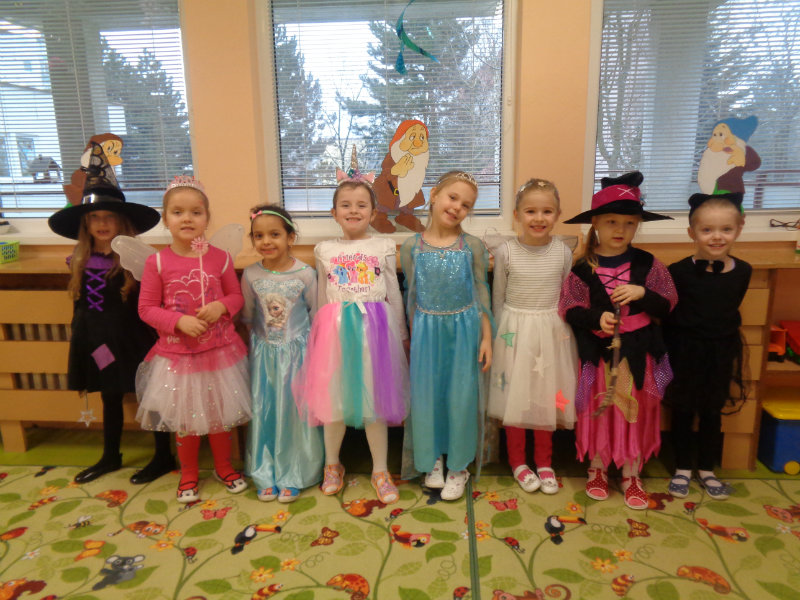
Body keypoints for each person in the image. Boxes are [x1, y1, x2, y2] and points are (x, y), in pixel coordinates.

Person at [48, 141, 174, 485]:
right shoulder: (79, 260)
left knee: (149, 393)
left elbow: (153, 302)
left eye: (109, 217)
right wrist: (84, 339)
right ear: (85, 224)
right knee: (109, 394)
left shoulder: (139, 259)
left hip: (134, 340)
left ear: (121, 220)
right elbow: (82, 306)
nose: (102, 223)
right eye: (94, 218)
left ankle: (163, 455)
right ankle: (110, 455)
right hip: (97, 341)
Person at [559, 171, 677, 510]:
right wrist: (596, 318)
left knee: (634, 410)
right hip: (598, 356)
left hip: (640, 354)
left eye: (629, 223)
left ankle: (631, 471)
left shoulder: (648, 264)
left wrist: (642, 294)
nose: (620, 229)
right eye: (611, 221)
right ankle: (597, 466)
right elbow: (568, 307)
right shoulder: (583, 268)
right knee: (599, 408)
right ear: (595, 223)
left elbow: (668, 302)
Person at [293, 169, 409, 505]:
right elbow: (321, 298)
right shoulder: (325, 249)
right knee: (334, 403)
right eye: (345, 205)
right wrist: (317, 336)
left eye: (361, 205)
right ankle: (333, 464)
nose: (353, 210)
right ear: (334, 213)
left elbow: (393, 293)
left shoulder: (383, 246)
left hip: (376, 335)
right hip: (335, 335)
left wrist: (401, 335)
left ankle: (380, 470)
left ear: (373, 213)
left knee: (376, 403)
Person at [135, 176, 252, 503]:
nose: (187, 219)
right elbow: (146, 309)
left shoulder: (220, 258)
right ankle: (188, 473)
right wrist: (178, 321)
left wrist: (221, 306)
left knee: (219, 417)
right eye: (178, 212)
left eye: (196, 212)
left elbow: (236, 297)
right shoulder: (157, 262)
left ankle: (224, 467)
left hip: (219, 353)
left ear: (206, 218)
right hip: (179, 358)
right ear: (165, 218)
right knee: (186, 420)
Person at [400, 171, 494, 501]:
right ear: (434, 194)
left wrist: (487, 338)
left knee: (460, 397)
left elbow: (482, 292)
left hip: (465, 331)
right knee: (428, 396)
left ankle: (459, 465)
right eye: (453, 198)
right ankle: (432, 460)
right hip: (427, 332)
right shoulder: (412, 246)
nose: (457, 208)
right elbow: (412, 296)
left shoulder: (472, 246)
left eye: (465, 205)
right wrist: (413, 339)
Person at [488, 178, 578, 495]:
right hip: (513, 334)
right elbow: (498, 298)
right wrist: (498, 339)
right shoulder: (506, 252)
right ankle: (518, 462)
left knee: (545, 397)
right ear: (517, 215)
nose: (539, 218)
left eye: (547, 211)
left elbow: (566, 296)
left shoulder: (563, 253)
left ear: (557, 215)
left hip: (550, 334)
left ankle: (544, 462)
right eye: (530, 211)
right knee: (516, 398)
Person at [664, 193, 750, 501]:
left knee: (713, 410)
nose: (717, 237)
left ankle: (707, 468)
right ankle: (682, 467)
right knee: (684, 409)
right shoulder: (677, 271)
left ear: (739, 229)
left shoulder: (743, 271)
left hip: (721, 350)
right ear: (692, 233)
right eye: (707, 230)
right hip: (685, 349)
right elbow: (670, 312)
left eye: (726, 229)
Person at [240, 204, 324, 503]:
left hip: (299, 356)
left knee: (294, 412)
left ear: (290, 237)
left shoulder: (306, 274)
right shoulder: (251, 274)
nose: (266, 241)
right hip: (264, 356)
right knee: (265, 410)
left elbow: (317, 314)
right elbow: (248, 316)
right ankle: (265, 471)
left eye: (274, 234)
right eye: (258, 235)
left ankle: (295, 472)